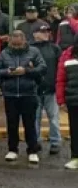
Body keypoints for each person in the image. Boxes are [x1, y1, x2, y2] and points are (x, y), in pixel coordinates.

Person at [0, 30, 45, 164]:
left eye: (19, 38)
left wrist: (26, 71)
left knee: (30, 124)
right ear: (10, 40)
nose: (16, 42)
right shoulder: (4, 53)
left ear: (24, 39)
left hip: (29, 93)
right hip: (10, 94)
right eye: (14, 38)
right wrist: (8, 72)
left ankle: (32, 151)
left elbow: (42, 68)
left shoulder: (34, 52)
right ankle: (12, 150)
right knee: (12, 124)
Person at [32, 24, 62, 155]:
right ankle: (35, 142)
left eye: (47, 31)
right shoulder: (30, 49)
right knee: (35, 118)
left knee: (54, 117)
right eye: (42, 31)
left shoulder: (55, 48)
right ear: (35, 34)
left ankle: (55, 142)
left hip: (51, 88)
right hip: (34, 89)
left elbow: (60, 68)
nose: (46, 33)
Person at [55, 36, 78, 169]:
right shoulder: (67, 55)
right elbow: (61, 79)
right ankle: (76, 157)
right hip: (73, 100)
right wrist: (61, 100)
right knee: (75, 130)